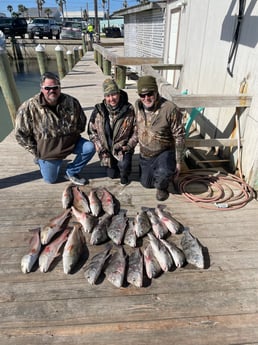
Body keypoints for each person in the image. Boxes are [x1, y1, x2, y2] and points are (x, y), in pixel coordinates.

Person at [15, 72, 95, 186]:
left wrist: (71, 136)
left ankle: (71, 171)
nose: (52, 90)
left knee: (90, 147)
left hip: (70, 143)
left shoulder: (72, 102)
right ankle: (41, 161)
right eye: (48, 88)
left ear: (59, 87)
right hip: (49, 152)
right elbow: (20, 134)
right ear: (42, 88)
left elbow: (81, 122)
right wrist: (36, 151)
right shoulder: (29, 107)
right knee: (50, 180)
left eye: (55, 87)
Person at [135, 75, 185, 201]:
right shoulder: (137, 106)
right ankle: (153, 174)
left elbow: (179, 136)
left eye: (150, 93)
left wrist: (179, 162)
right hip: (145, 155)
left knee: (164, 172)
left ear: (156, 92)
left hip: (164, 153)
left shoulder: (170, 109)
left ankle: (163, 187)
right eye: (142, 95)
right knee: (146, 184)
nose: (146, 98)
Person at [87, 78, 138, 185]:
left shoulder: (129, 109)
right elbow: (91, 131)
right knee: (112, 175)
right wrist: (100, 147)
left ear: (119, 93)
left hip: (122, 149)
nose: (111, 98)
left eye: (114, 94)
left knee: (124, 170)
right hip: (106, 151)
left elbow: (136, 131)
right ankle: (113, 164)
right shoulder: (99, 110)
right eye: (108, 96)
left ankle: (125, 169)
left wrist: (128, 146)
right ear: (105, 97)